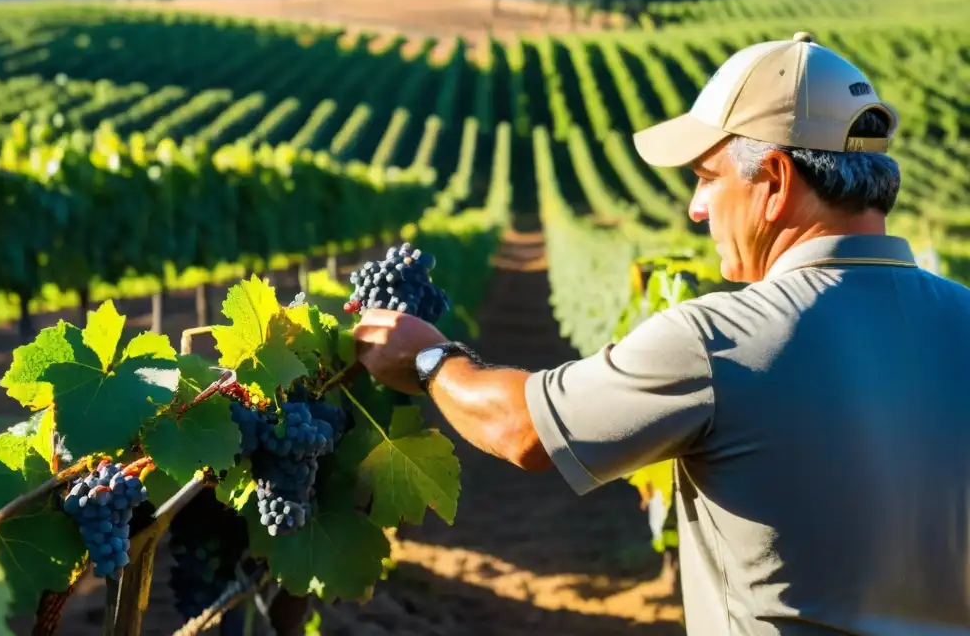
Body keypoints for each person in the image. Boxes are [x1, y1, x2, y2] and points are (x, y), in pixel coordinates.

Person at [353, 32, 970, 635]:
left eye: (707, 176)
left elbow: (523, 430)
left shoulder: (723, 340)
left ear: (776, 182)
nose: (696, 207)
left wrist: (431, 358)